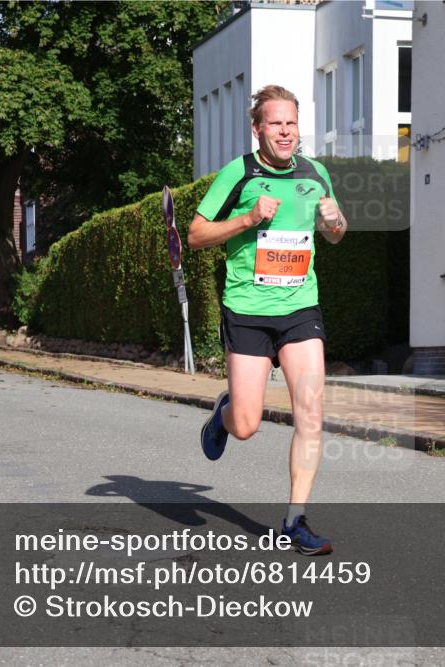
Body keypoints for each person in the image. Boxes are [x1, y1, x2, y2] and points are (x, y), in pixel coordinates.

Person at [188, 85, 348, 556]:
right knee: (246, 425)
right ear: (257, 129)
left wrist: (336, 221)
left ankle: (295, 521)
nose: (285, 131)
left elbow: (335, 234)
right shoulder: (237, 174)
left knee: (311, 413)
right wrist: (245, 219)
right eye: (275, 123)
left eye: (291, 123)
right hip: (248, 311)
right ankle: (224, 413)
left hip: (300, 308)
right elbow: (195, 234)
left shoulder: (315, 173)